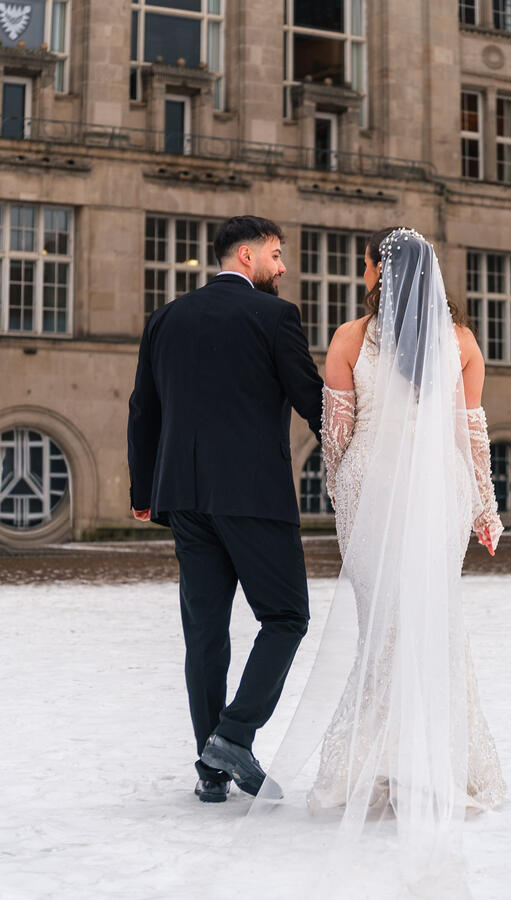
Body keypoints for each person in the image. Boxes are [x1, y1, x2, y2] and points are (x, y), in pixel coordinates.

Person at [246, 226, 505, 899]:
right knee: (429, 620)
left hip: (374, 489)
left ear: (378, 271)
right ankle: (431, 763)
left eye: (366, 266)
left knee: (380, 625)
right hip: (441, 494)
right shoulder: (464, 344)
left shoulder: (349, 338)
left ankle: (379, 764)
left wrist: (345, 498)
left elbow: (337, 435)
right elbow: (471, 434)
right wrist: (485, 509)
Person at [127, 215, 323, 804]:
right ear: (245, 255)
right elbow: (312, 400)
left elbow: (143, 411)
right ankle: (234, 736)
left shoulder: (164, 318)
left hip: (183, 497)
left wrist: (144, 493)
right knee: (286, 616)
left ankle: (210, 768)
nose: (282, 267)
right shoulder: (275, 317)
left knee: (205, 634)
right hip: (255, 496)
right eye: (276, 254)